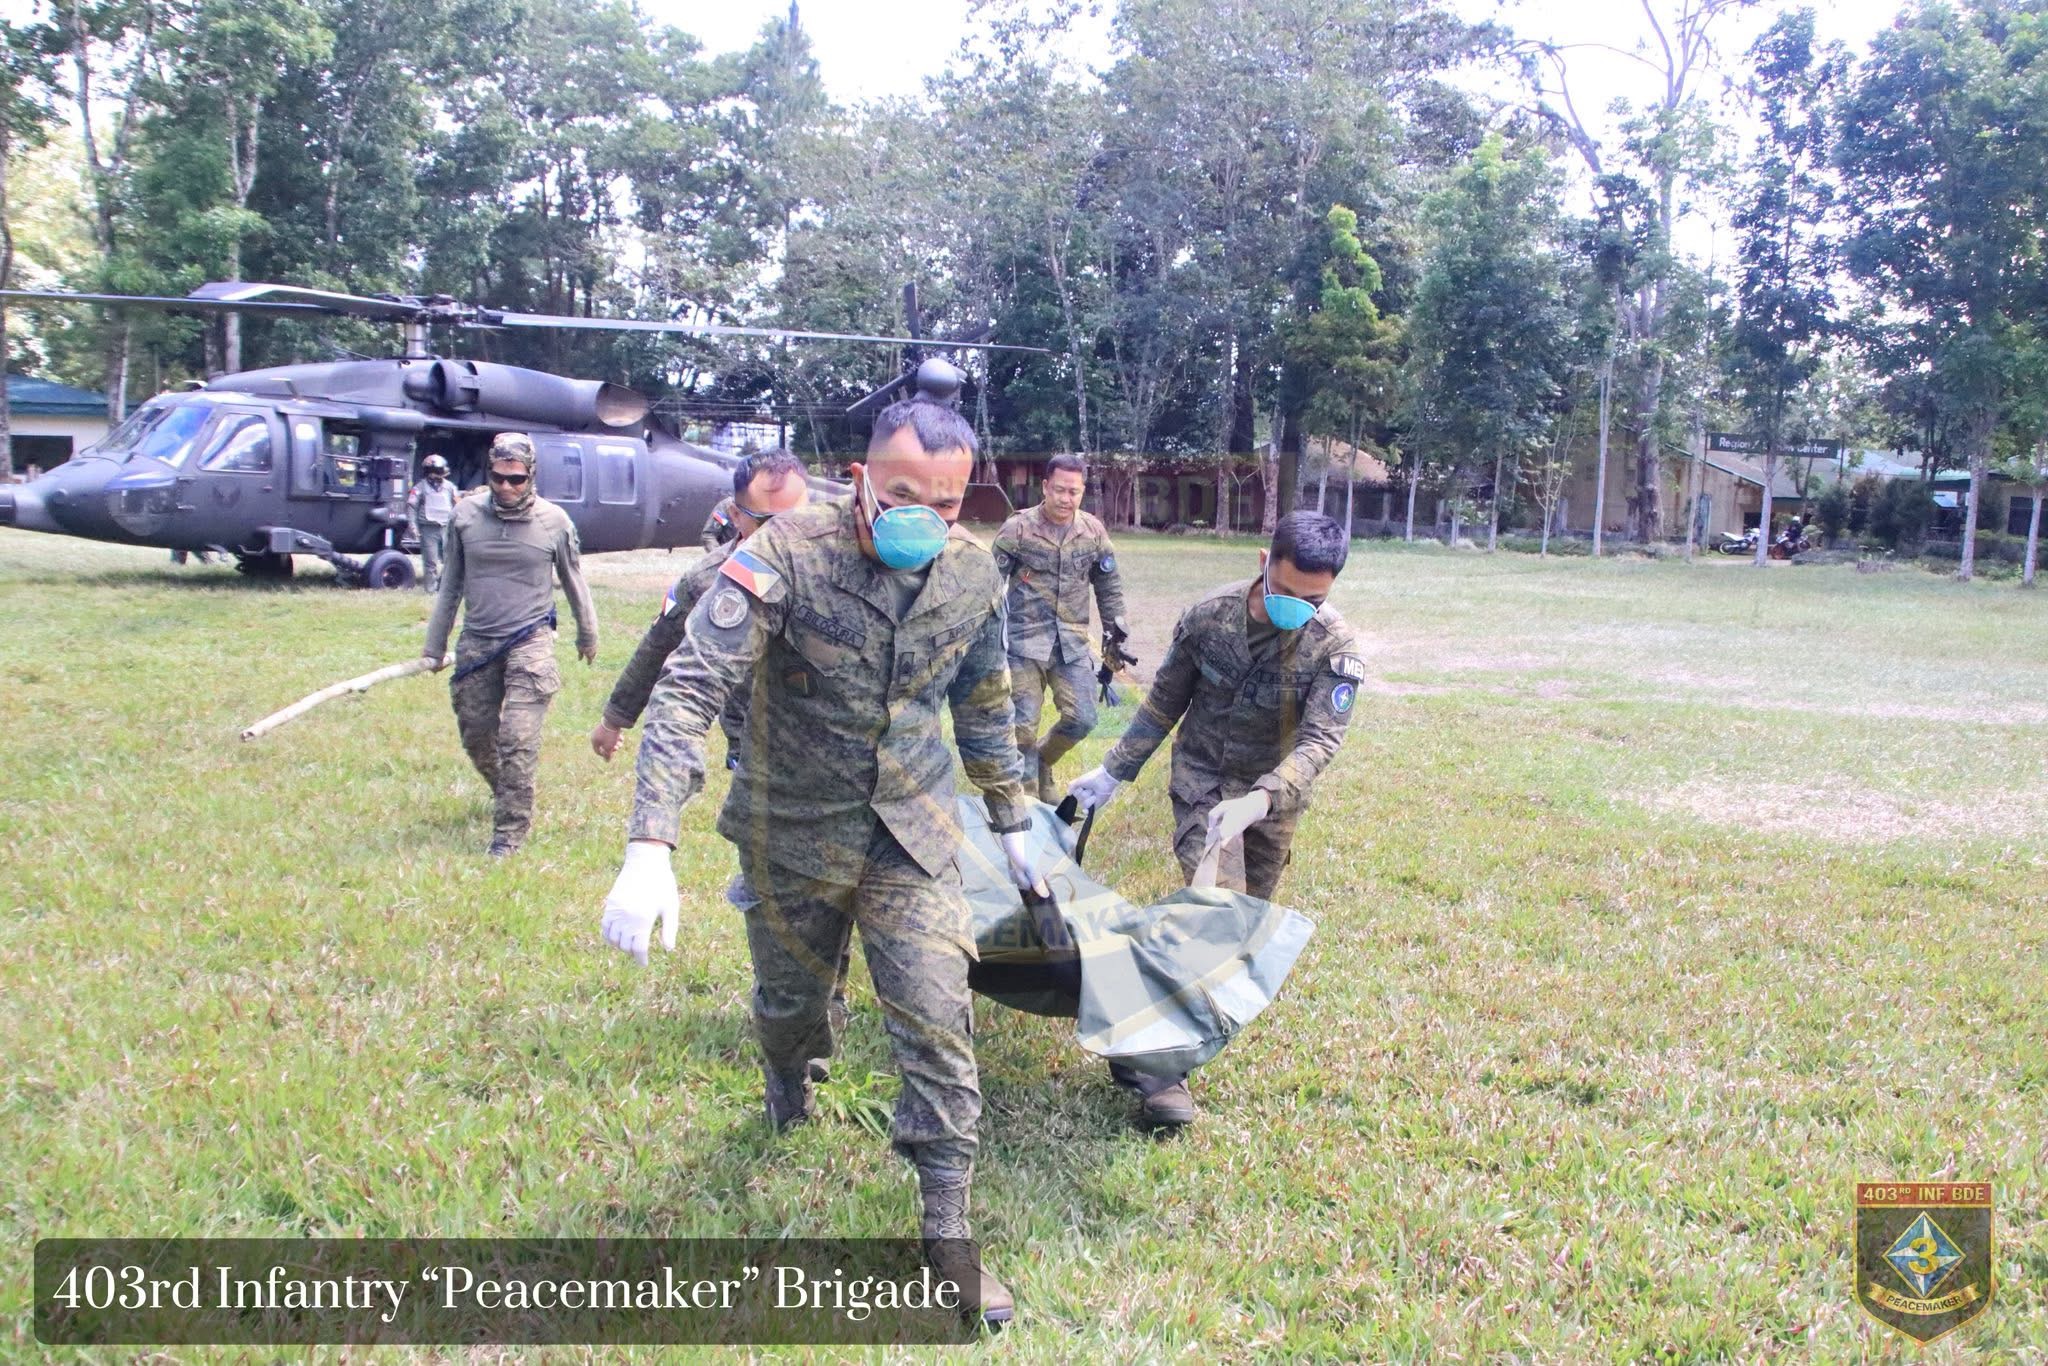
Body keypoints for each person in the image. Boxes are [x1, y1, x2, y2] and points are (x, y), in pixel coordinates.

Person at [597, 397, 1045, 1327]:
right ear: (861, 480)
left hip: (911, 835)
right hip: (791, 830)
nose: (926, 516)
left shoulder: (973, 576)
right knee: (789, 1010)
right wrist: (650, 844)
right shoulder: (783, 553)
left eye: (950, 504)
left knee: (937, 1020)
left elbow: (986, 702)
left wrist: (1012, 819)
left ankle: (949, 1237)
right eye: (904, 494)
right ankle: (787, 1082)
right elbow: (691, 686)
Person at [1066, 512, 1364, 1128]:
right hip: (1203, 782)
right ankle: (1155, 1071)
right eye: (1285, 594)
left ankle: (1158, 1042)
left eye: (1314, 600)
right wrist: (1114, 771)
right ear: (1264, 560)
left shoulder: (1334, 645)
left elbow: (1319, 741)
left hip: (1270, 801)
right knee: (1212, 920)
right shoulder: (1208, 618)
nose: (1297, 609)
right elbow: (1164, 701)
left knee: (1242, 936)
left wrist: (1263, 797)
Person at [590, 451, 850, 1079]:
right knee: (784, 893)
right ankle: (808, 1014)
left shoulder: (841, 570)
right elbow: (659, 652)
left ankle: (826, 993)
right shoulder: (712, 580)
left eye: (800, 517)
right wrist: (615, 718)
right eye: (768, 520)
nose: (788, 535)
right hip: (761, 765)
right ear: (736, 515)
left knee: (842, 889)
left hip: (843, 764)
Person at [422, 432, 599, 857]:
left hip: (530, 640)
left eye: (516, 479)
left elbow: (575, 580)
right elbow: (450, 586)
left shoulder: (554, 522)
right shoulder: (464, 516)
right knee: (477, 736)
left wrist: (587, 632)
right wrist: (434, 645)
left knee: (518, 739)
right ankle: (506, 791)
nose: (506, 487)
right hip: (477, 643)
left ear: (531, 476)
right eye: (498, 478)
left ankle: (509, 834)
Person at [992, 454, 1129, 802]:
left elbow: (1108, 587)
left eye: (1074, 491)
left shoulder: (1092, 531)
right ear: (1045, 487)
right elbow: (989, 585)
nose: (1066, 499)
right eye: (1059, 490)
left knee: (1082, 718)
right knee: (1022, 727)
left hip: (1071, 643)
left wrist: (1115, 640)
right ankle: (1028, 806)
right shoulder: (1017, 529)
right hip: (1024, 645)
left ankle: (1042, 763)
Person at [406, 453, 457, 593]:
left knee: (450, 560)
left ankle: (443, 587)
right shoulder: (420, 487)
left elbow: (457, 505)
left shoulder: (450, 487)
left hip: (446, 528)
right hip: (428, 529)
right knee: (431, 562)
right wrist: (413, 526)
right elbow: (411, 507)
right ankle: (430, 590)